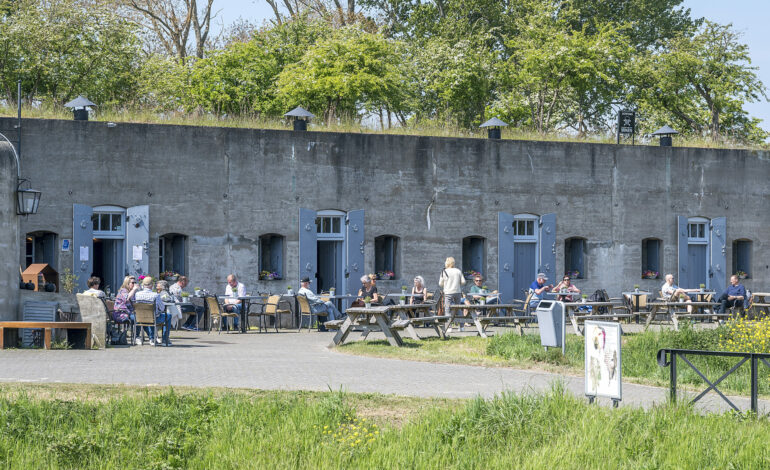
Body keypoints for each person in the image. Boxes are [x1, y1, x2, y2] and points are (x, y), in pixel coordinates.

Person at [135, 277, 172, 346]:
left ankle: (152, 338)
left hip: (141, 318)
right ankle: (165, 339)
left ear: (143, 285)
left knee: (152, 315)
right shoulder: (155, 295)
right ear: (152, 285)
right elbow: (162, 308)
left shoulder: (137, 294)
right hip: (153, 319)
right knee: (168, 315)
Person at [113, 275, 139, 344]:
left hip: (128, 313)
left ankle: (149, 337)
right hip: (120, 314)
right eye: (132, 283)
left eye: (135, 282)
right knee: (137, 318)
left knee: (141, 317)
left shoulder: (131, 292)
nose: (134, 284)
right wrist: (134, 290)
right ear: (127, 283)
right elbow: (127, 298)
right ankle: (136, 337)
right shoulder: (123, 291)